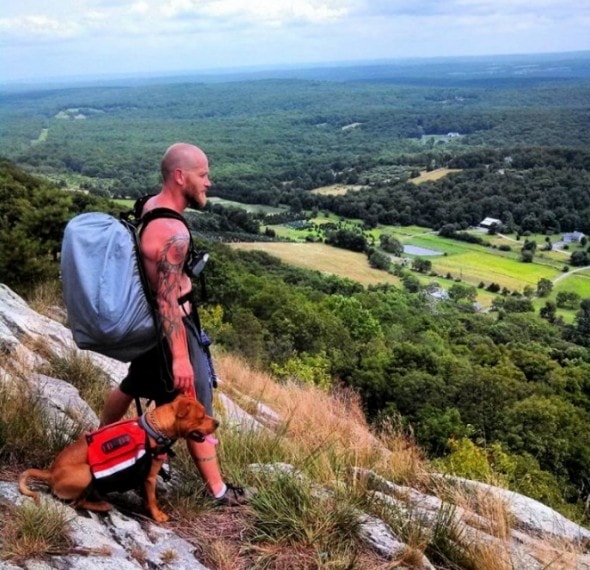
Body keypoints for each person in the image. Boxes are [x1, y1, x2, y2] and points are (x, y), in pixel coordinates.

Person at [100, 142, 245, 506]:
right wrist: (181, 358)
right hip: (172, 332)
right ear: (180, 177)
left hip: (152, 330)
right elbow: (166, 300)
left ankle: (100, 445)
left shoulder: (152, 205)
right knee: (196, 406)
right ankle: (218, 491)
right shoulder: (173, 234)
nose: (209, 183)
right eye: (203, 175)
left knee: (135, 382)